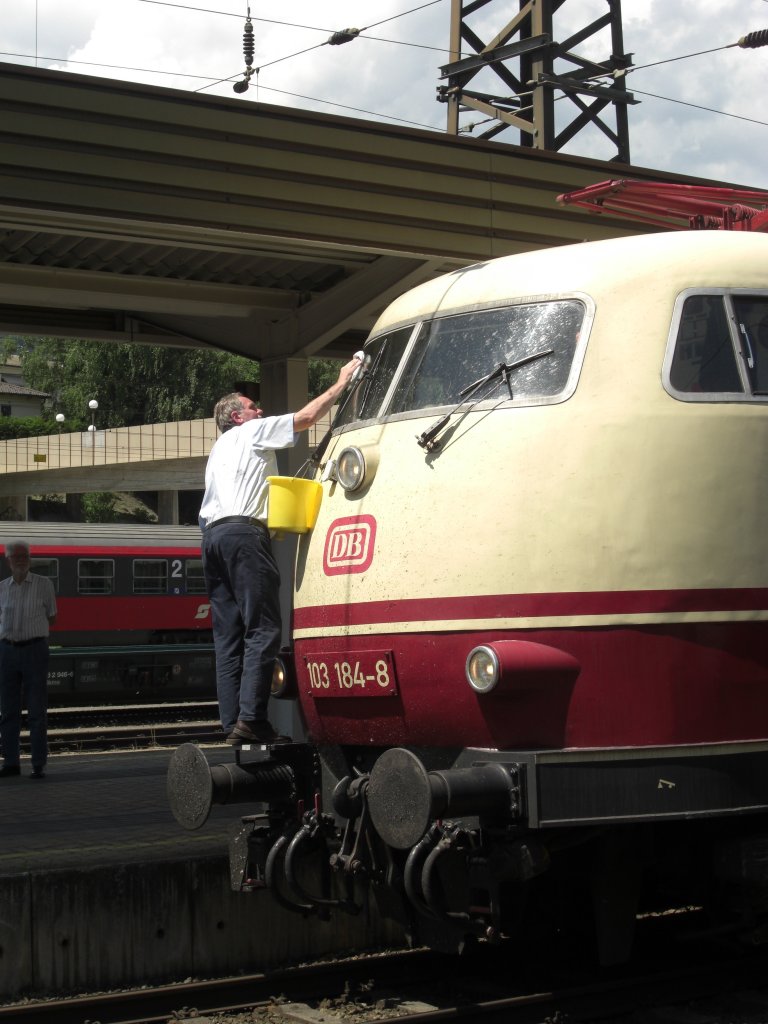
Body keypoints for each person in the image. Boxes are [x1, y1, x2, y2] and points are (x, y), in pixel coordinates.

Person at [200, 356, 361, 746]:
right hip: (243, 535)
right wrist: (342, 383)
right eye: (253, 407)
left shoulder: (218, 451)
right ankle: (253, 719)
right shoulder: (252, 432)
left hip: (212, 539)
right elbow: (306, 417)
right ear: (238, 417)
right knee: (265, 628)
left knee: (228, 636)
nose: (260, 410)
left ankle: (231, 723)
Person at [0, 540, 57, 779]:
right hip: (7, 650)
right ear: (8, 560)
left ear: (30, 559)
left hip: (35, 649)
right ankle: (11, 764)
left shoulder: (44, 585)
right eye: (16, 556)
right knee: (8, 711)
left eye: (25, 556)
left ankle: (38, 764)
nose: (21, 560)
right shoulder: (2, 588)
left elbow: (52, 616)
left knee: (36, 710)